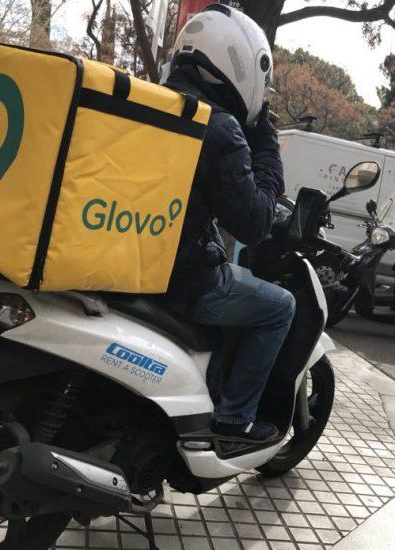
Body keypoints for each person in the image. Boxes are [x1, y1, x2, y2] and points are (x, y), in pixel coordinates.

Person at [163, 5, 294, 444]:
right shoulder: (218, 127)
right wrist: (266, 143)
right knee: (280, 307)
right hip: (185, 280)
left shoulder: (159, 103)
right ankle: (235, 418)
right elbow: (254, 222)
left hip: (136, 263)